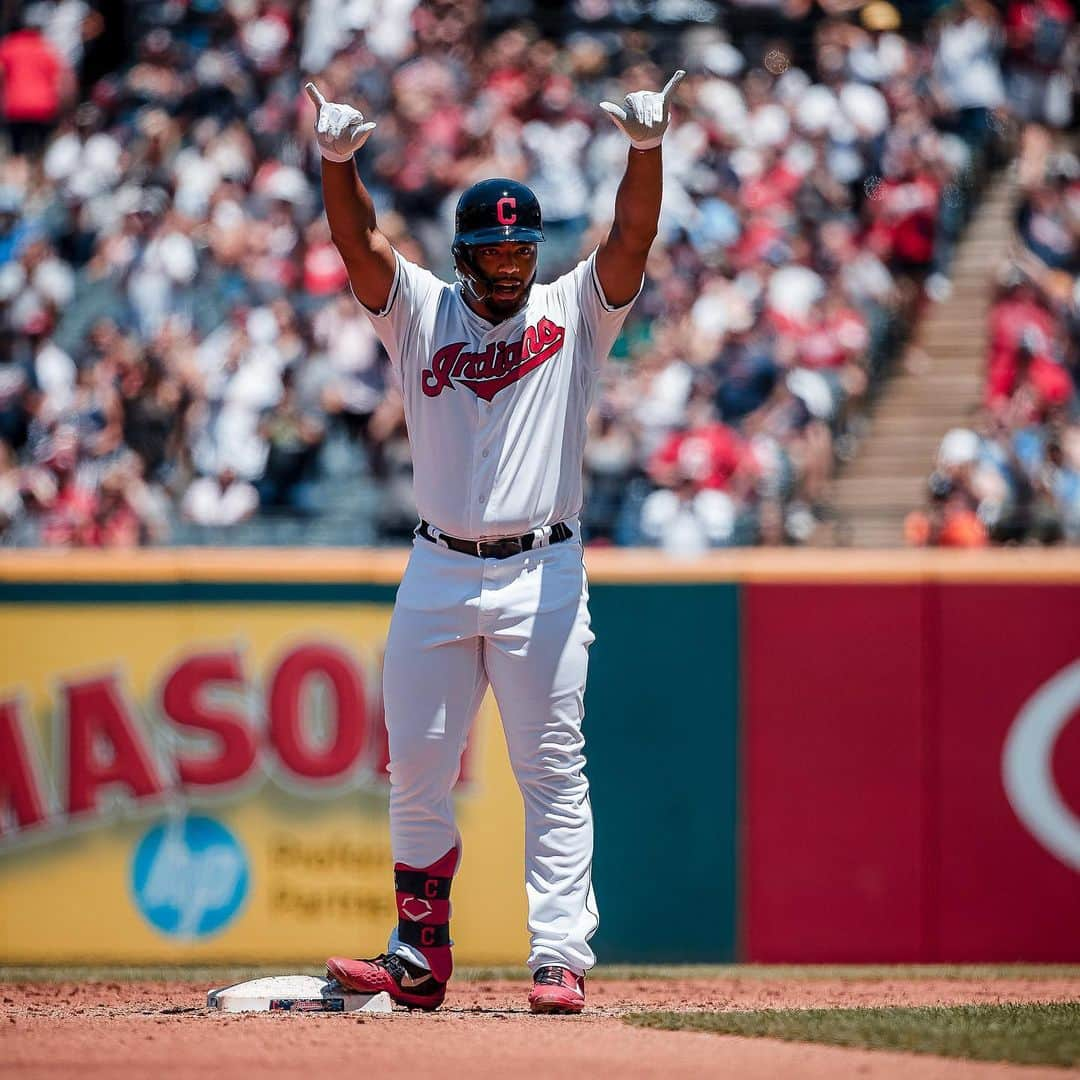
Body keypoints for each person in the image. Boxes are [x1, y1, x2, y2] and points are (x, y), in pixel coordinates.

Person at [305, 69, 684, 1014]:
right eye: (497, 254)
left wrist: (645, 153)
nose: (512, 268)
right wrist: (337, 164)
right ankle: (420, 955)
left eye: (523, 252)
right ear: (468, 254)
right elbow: (358, 242)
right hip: (438, 566)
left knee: (551, 767)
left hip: (543, 568)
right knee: (418, 767)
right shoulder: (422, 309)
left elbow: (631, 238)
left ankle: (559, 955)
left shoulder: (571, 312)